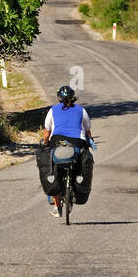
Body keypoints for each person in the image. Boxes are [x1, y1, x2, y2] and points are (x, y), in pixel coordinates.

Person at [41, 85, 92, 216]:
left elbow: (47, 132)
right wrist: (89, 141)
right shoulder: (81, 110)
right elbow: (88, 131)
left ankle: (57, 207)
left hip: (57, 141)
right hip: (77, 142)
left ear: (58, 98)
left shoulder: (52, 110)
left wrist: (45, 143)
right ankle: (76, 186)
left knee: (55, 169)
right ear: (73, 97)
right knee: (80, 162)